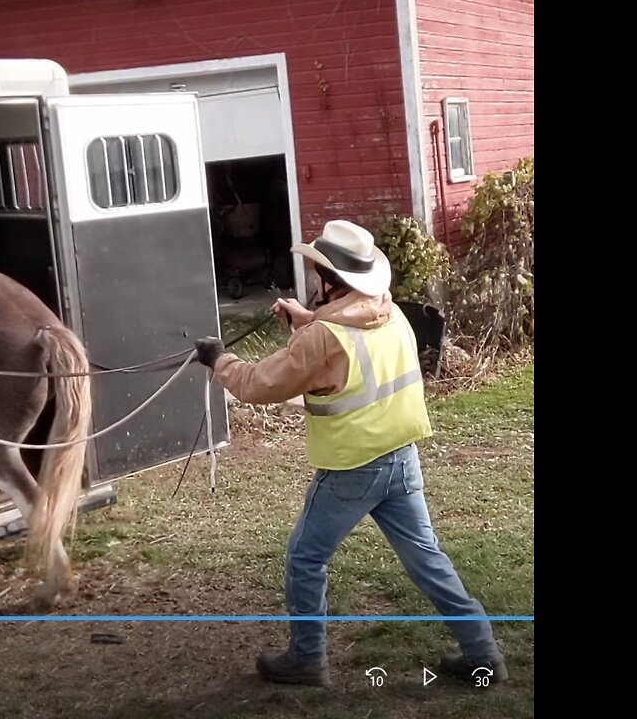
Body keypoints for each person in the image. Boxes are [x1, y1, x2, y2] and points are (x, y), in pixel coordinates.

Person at [194, 219, 506, 688]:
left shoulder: (323, 339)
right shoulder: (391, 312)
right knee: (428, 560)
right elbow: (348, 335)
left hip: (351, 469)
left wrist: (219, 360)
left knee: (305, 558)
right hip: (401, 458)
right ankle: (484, 654)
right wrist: (308, 318)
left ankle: (307, 658)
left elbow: (261, 383)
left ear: (329, 282)